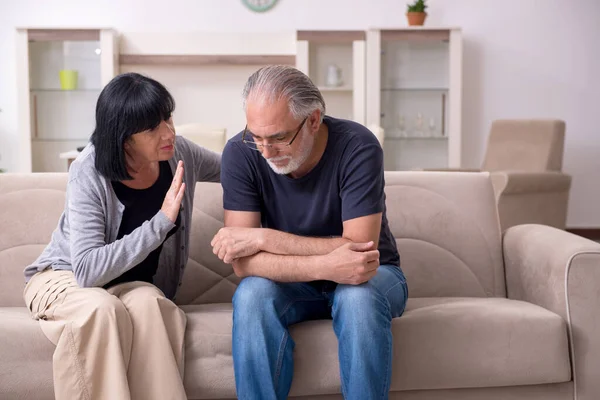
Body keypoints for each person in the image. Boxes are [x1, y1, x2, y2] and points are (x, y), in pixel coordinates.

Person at [211, 65, 408, 400]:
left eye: (277, 137)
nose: (266, 151)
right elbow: (243, 264)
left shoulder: (358, 146)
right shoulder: (240, 153)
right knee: (251, 294)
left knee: (356, 296)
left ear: (313, 120)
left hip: (375, 274)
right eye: (256, 136)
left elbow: (359, 254)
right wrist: (324, 267)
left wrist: (265, 239)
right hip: (296, 283)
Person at [22, 72, 221, 400]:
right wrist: (160, 223)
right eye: (153, 127)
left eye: (168, 118)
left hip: (128, 286)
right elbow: (87, 271)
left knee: (152, 306)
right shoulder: (88, 171)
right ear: (124, 137)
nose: (169, 132)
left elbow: (238, 169)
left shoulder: (180, 152)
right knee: (102, 310)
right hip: (64, 277)